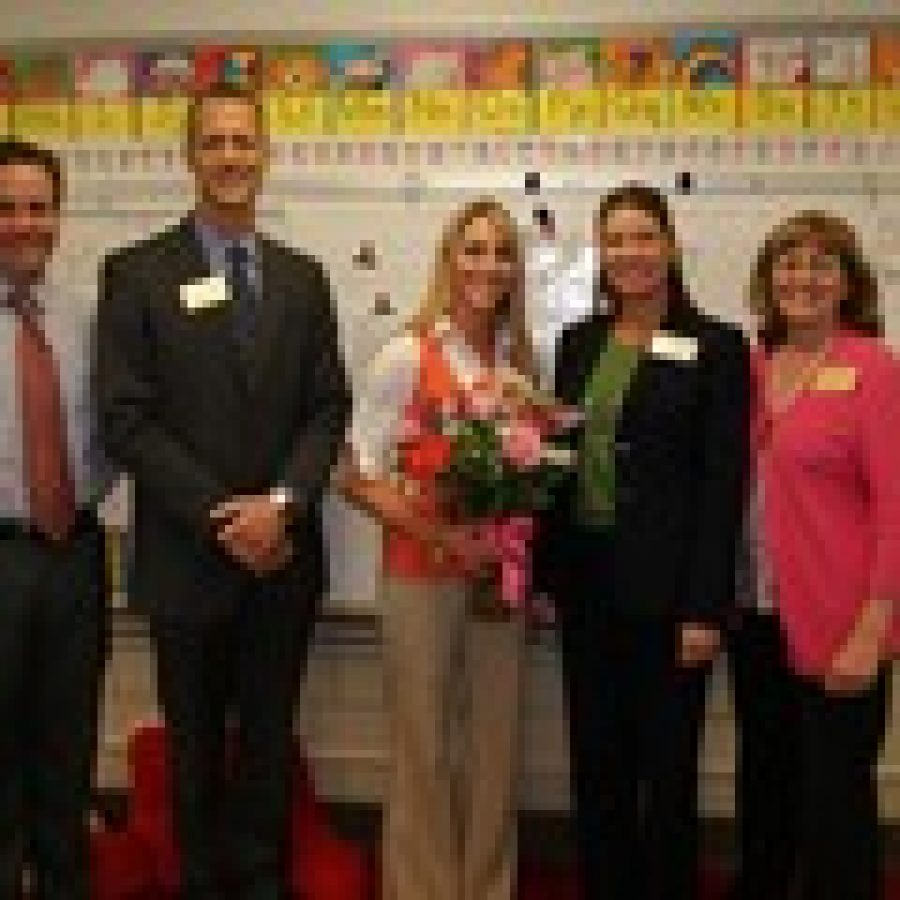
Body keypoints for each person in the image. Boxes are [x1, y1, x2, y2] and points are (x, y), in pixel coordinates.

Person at [98, 84, 350, 900]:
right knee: (195, 746)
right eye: (215, 143)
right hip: (185, 557)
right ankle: (200, 883)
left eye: (245, 142)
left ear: (265, 154)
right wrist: (223, 516)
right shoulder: (136, 274)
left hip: (282, 556)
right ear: (190, 155)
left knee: (270, 740)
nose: (232, 158)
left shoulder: (304, 281)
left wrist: (277, 507)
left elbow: (327, 409)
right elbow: (126, 420)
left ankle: (263, 882)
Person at [535, 182, 749, 900]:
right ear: (601, 251)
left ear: (670, 245)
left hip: (671, 597)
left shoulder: (718, 347)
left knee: (668, 770)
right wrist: (542, 576)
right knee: (596, 766)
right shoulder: (578, 343)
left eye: (643, 237)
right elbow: (560, 465)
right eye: (616, 240)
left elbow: (724, 484)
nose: (630, 253)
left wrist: (704, 607)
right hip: (587, 588)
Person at [340, 198, 538, 900]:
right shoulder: (406, 352)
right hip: (419, 575)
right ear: (449, 259)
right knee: (422, 749)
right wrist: (443, 535)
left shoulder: (519, 360)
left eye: (502, 252)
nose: (488, 265)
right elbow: (354, 476)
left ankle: (487, 886)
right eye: (474, 249)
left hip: (498, 585)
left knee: (494, 748)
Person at [729, 210, 900, 900]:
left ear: (847, 283)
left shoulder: (874, 371)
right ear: (769, 278)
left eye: (821, 265)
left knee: (836, 815)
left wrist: (873, 629)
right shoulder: (752, 364)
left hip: (841, 626)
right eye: (789, 263)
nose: (802, 278)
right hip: (758, 617)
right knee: (765, 798)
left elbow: (897, 508)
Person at [0, 138, 109, 900]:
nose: (23, 223)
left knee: (69, 751)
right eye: (6, 208)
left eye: (38, 207)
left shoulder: (85, 318)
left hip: (76, 558)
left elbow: (113, 433)